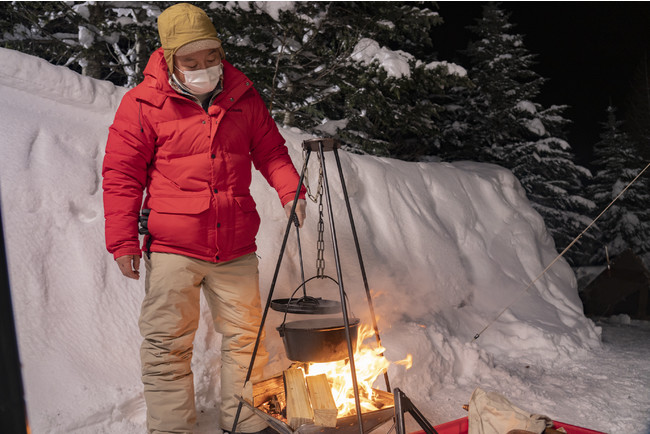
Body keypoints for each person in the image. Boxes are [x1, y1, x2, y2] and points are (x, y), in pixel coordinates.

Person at [102, 3, 306, 433]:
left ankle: (247, 424)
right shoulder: (142, 104)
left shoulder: (243, 96)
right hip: (174, 247)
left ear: (221, 51)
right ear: (170, 58)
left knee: (247, 344)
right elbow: (121, 175)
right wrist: (122, 241)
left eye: (210, 57)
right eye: (191, 62)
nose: (203, 68)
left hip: (234, 247)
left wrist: (291, 191)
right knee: (166, 347)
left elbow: (270, 151)